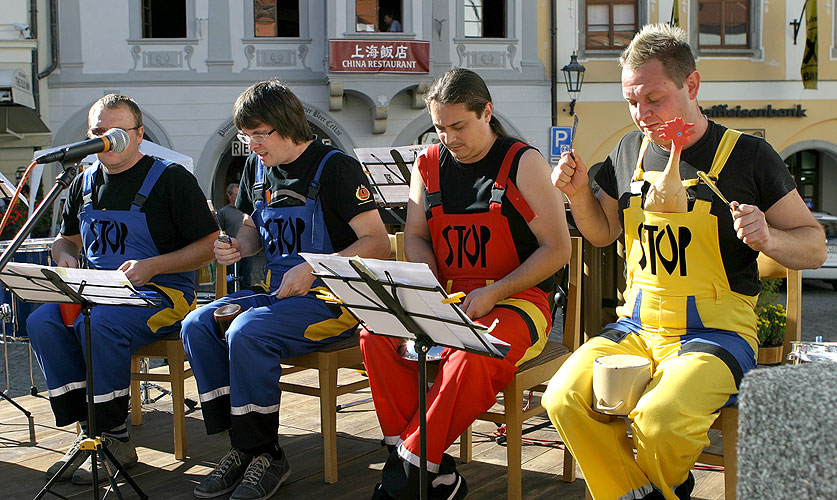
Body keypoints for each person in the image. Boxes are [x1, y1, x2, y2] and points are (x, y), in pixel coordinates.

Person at [543, 24, 827, 500]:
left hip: (718, 331)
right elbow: (602, 232)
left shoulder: (749, 156)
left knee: (658, 422)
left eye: (654, 99)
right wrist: (576, 196)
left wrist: (768, 235)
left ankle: (657, 481)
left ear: (691, 86)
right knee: (562, 397)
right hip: (635, 326)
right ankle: (652, 489)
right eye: (632, 102)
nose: (641, 115)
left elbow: (814, 246)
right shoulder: (627, 150)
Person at [361, 68, 571, 500]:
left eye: (458, 126)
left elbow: (557, 249)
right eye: (439, 128)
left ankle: (405, 475)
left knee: (473, 351)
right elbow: (416, 236)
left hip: (518, 300)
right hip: (448, 296)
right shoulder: (427, 163)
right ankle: (433, 470)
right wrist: (427, 287)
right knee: (374, 334)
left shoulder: (523, 163)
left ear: (487, 112)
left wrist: (492, 293)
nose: (448, 138)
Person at [181, 79, 391, 500]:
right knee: (197, 324)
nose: (253, 144)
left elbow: (377, 241)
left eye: (260, 134)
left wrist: (313, 268)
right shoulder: (258, 167)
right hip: (277, 294)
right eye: (247, 136)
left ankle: (268, 456)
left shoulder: (336, 168)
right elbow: (253, 227)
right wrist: (240, 245)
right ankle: (244, 447)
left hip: (333, 301)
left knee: (247, 331)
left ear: (286, 124)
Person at [27, 93, 219, 485]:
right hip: (99, 292)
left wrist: (153, 266)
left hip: (164, 294)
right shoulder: (82, 182)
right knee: (43, 319)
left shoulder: (170, 179)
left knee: (98, 325)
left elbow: (208, 246)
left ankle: (112, 437)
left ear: (138, 134)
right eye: (99, 132)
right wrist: (65, 255)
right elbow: (66, 240)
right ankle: (86, 431)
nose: (107, 138)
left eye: (116, 131)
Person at [216, 182, 253, 289]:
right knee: (231, 280)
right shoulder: (223, 213)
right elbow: (219, 231)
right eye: (236, 194)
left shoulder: (245, 211)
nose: (238, 197)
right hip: (231, 250)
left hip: (247, 252)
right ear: (229, 195)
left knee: (246, 278)